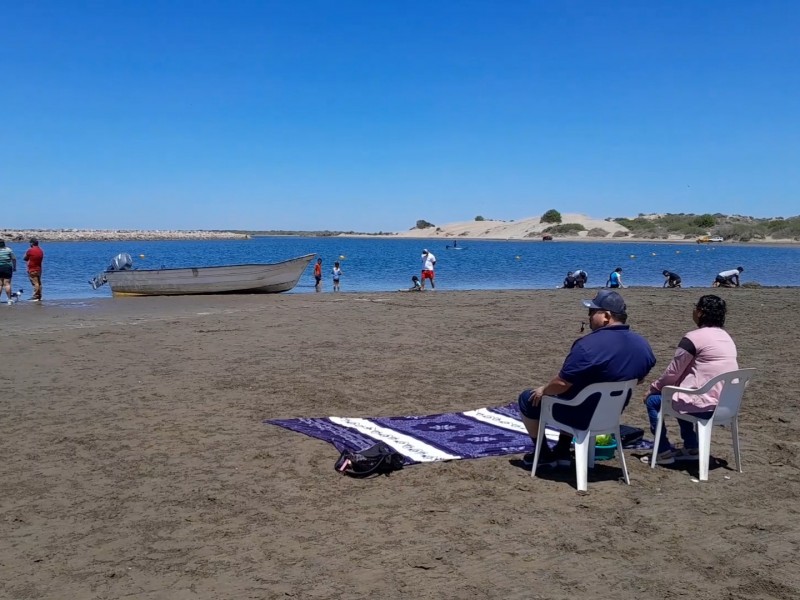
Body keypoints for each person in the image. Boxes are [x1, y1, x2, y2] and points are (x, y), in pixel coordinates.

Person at [517, 290, 656, 469]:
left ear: (606, 316)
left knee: (529, 398)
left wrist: (543, 390)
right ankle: (562, 449)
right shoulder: (643, 345)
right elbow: (639, 379)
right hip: (611, 414)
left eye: (592, 312)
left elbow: (561, 383)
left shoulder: (588, 345)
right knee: (574, 393)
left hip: (580, 413)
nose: (589, 317)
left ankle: (542, 453)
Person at [643, 295, 738, 464]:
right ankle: (692, 446)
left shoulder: (693, 338)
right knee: (680, 392)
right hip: (727, 404)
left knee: (653, 401)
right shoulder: (726, 337)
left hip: (703, 405)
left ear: (700, 312)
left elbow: (672, 372)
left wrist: (653, 388)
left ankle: (663, 451)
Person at [0, 240, 18, 305]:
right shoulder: (8, 250)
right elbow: (14, 259)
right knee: (7, 284)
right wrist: (14, 267)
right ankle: (9, 299)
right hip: (7, 267)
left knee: (0, 284)